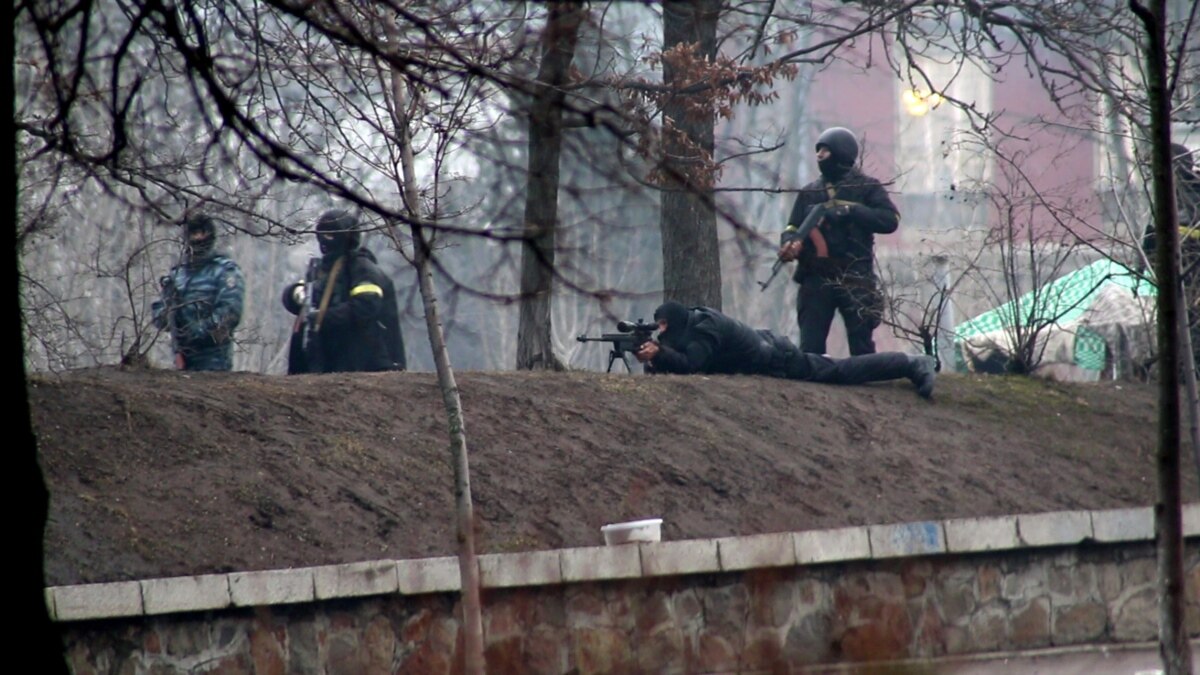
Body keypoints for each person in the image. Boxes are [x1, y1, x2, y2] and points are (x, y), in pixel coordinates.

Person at [635, 302, 936, 398]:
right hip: (769, 349)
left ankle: (910, 363)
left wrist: (659, 354)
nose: (662, 332)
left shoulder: (704, 329)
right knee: (835, 368)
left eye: (663, 326)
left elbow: (692, 365)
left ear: (674, 322)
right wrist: (656, 359)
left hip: (778, 359)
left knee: (839, 371)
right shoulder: (694, 323)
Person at [778, 126, 900, 356]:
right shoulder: (810, 192)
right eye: (818, 151)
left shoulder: (866, 188)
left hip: (855, 274)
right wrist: (789, 243)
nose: (819, 155)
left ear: (841, 153)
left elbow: (890, 220)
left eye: (825, 150)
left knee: (861, 345)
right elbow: (792, 227)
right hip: (816, 277)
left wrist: (851, 211)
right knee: (811, 347)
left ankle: (865, 380)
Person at [282, 209, 405, 374]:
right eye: (322, 234)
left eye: (330, 234)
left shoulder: (363, 268)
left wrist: (321, 317)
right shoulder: (322, 270)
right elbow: (298, 299)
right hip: (326, 360)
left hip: (365, 362)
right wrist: (296, 294)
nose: (325, 240)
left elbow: (365, 306)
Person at [151, 214, 245, 371]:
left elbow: (230, 312)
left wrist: (198, 331)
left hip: (214, 359)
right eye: (193, 233)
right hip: (181, 357)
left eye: (202, 233)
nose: (197, 238)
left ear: (210, 235)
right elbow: (159, 313)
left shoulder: (224, 270)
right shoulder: (178, 274)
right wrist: (169, 317)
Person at [1141, 143, 1200, 373]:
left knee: (1190, 318)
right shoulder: (1167, 194)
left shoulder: (1192, 193)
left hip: (1190, 266)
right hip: (1175, 269)